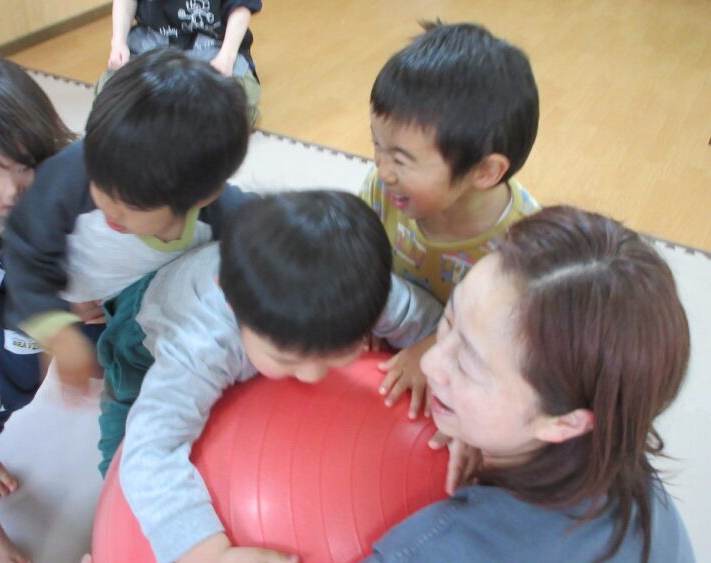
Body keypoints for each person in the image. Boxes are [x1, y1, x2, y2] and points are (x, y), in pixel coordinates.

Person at [97, 191, 443, 562]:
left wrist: (426, 350)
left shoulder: (361, 296)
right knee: (121, 446)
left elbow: (437, 324)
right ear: (235, 307)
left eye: (337, 355)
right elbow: (149, 451)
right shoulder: (201, 347)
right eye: (287, 359)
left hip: (227, 271)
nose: (312, 375)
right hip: (144, 333)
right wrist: (208, 554)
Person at [367, 206, 695, 562]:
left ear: (564, 423)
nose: (429, 363)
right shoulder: (611, 434)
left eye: (467, 365)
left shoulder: (428, 552)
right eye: (449, 319)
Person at [3, 47, 253, 398]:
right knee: (16, 378)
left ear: (200, 199)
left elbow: (271, 228)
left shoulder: (218, 213)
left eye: (129, 204)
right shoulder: (70, 175)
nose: (108, 206)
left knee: (109, 371)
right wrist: (55, 326)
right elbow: (23, 249)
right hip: (38, 296)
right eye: (99, 184)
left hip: (113, 308)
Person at [360, 21, 541, 419]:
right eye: (377, 145)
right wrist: (362, 312)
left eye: (401, 159)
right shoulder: (385, 191)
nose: (383, 170)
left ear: (485, 171)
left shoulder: (523, 245)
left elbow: (508, 343)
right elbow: (358, 256)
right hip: (395, 332)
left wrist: (432, 350)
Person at [0, 54, 76, 563]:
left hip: (6, 280)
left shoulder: (63, 174)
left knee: (27, 377)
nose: (10, 191)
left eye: (23, 166)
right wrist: (49, 319)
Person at [103, 0, 262, 123]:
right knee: (108, 96)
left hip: (211, 45)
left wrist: (226, 57)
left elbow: (241, 6)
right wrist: (118, 42)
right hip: (154, 42)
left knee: (234, 100)